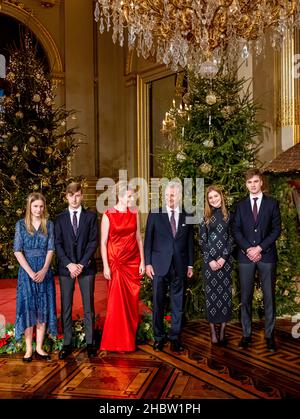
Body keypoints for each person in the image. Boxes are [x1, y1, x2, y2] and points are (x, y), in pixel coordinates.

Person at [232, 169, 281, 351]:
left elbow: (276, 229)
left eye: (255, 181)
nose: (252, 185)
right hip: (245, 257)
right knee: (245, 297)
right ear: (246, 185)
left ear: (261, 182)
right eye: (249, 182)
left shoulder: (272, 204)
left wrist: (259, 248)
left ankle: (269, 336)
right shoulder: (240, 205)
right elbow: (236, 230)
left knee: (269, 297)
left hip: (266, 256)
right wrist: (247, 249)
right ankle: (246, 334)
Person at [144, 180, 194, 353]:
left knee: (178, 304)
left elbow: (189, 242)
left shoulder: (188, 215)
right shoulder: (155, 213)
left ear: (179, 195)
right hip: (158, 266)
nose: (169, 198)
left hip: (179, 266)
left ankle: (175, 338)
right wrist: (148, 263)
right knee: (158, 303)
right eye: (166, 195)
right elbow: (147, 241)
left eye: (172, 195)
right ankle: (158, 338)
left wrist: (190, 264)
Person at [54, 182, 99, 359]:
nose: (74, 198)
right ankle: (67, 343)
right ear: (66, 196)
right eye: (71, 195)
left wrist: (80, 264)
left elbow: (93, 242)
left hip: (86, 268)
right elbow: (57, 243)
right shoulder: (60, 218)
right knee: (66, 306)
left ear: (82, 196)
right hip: (67, 269)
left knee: (88, 306)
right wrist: (69, 264)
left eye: (77, 195)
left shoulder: (90, 216)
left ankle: (90, 343)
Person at [100, 181, 145, 352]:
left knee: (132, 302)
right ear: (119, 196)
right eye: (129, 195)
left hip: (132, 262)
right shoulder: (108, 214)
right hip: (116, 262)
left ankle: (129, 340)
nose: (132, 198)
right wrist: (105, 265)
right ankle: (115, 342)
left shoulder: (134, 212)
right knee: (117, 303)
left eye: (133, 195)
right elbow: (103, 242)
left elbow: (139, 238)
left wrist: (142, 261)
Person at [13, 192, 57, 362]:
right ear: (29, 207)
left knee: (43, 307)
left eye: (41, 206)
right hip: (27, 272)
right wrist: (31, 272)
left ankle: (39, 347)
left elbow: (51, 248)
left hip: (44, 271)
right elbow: (17, 250)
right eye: (35, 206)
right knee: (28, 308)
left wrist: (45, 268)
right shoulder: (21, 225)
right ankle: (29, 348)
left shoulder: (49, 225)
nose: (38, 209)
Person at [199, 185, 233, 346]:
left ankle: (223, 330)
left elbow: (232, 238)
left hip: (225, 263)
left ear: (221, 196)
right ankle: (212, 330)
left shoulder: (229, 215)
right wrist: (211, 260)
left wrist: (223, 258)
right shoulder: (205, 216)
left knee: (225, 296)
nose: (213, 199)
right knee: (211, 297)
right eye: (210, 197)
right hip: (209, 263)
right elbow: (202, 241)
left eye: (215, 196)